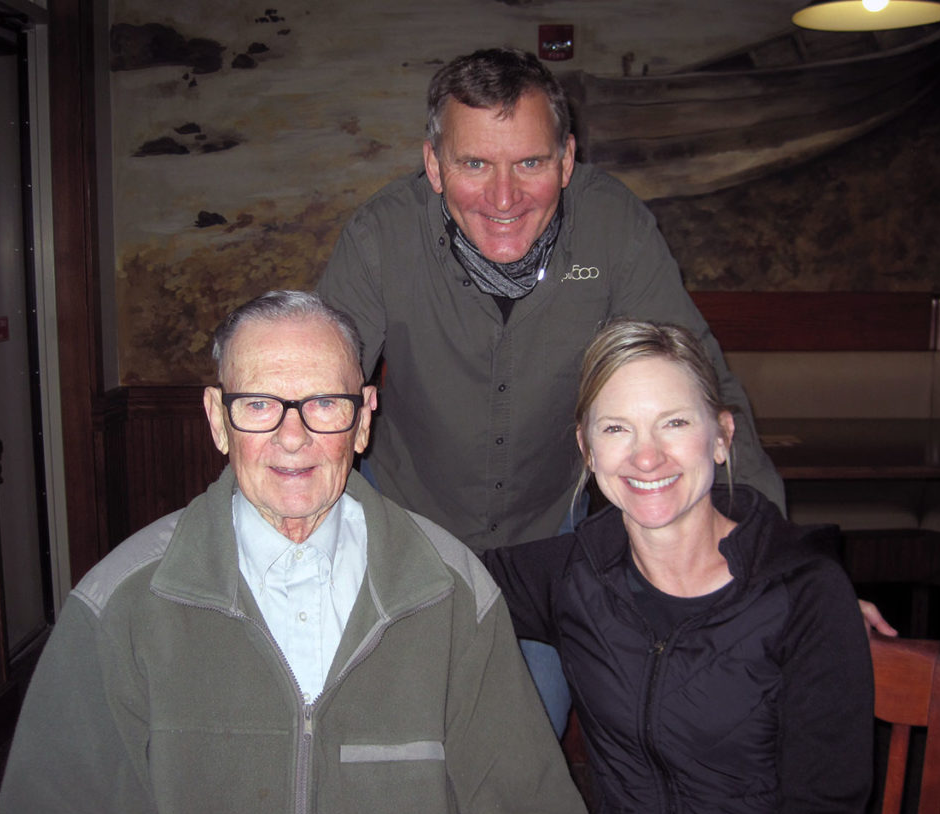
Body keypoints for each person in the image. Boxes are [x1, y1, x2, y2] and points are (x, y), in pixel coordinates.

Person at [316, 46, 893, 734]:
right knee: (386, 746)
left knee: (526, 745)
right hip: (403, 533)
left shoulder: (615, 225)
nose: (504, 198)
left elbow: (702, 387)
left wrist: (789, 576)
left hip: (543, 547)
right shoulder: (380, 235)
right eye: (475, 164)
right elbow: (316, 391)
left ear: (566, 159)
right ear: (434, 166)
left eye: (530, 162)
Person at [0, 290, 586, 814]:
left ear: (363, 418)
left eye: (324, 403)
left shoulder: (453, 592)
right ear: (217, 419)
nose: (293, 436)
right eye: (258, 404)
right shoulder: (118, 604)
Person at [483, 320, 875, 814]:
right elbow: (435, 572)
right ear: (587, 449)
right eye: (616, 428)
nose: (646, 458)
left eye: (675, 423)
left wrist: (834, 607)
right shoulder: (571, 574)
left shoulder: (804, 594)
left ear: (721, 437)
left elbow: (826, 804)